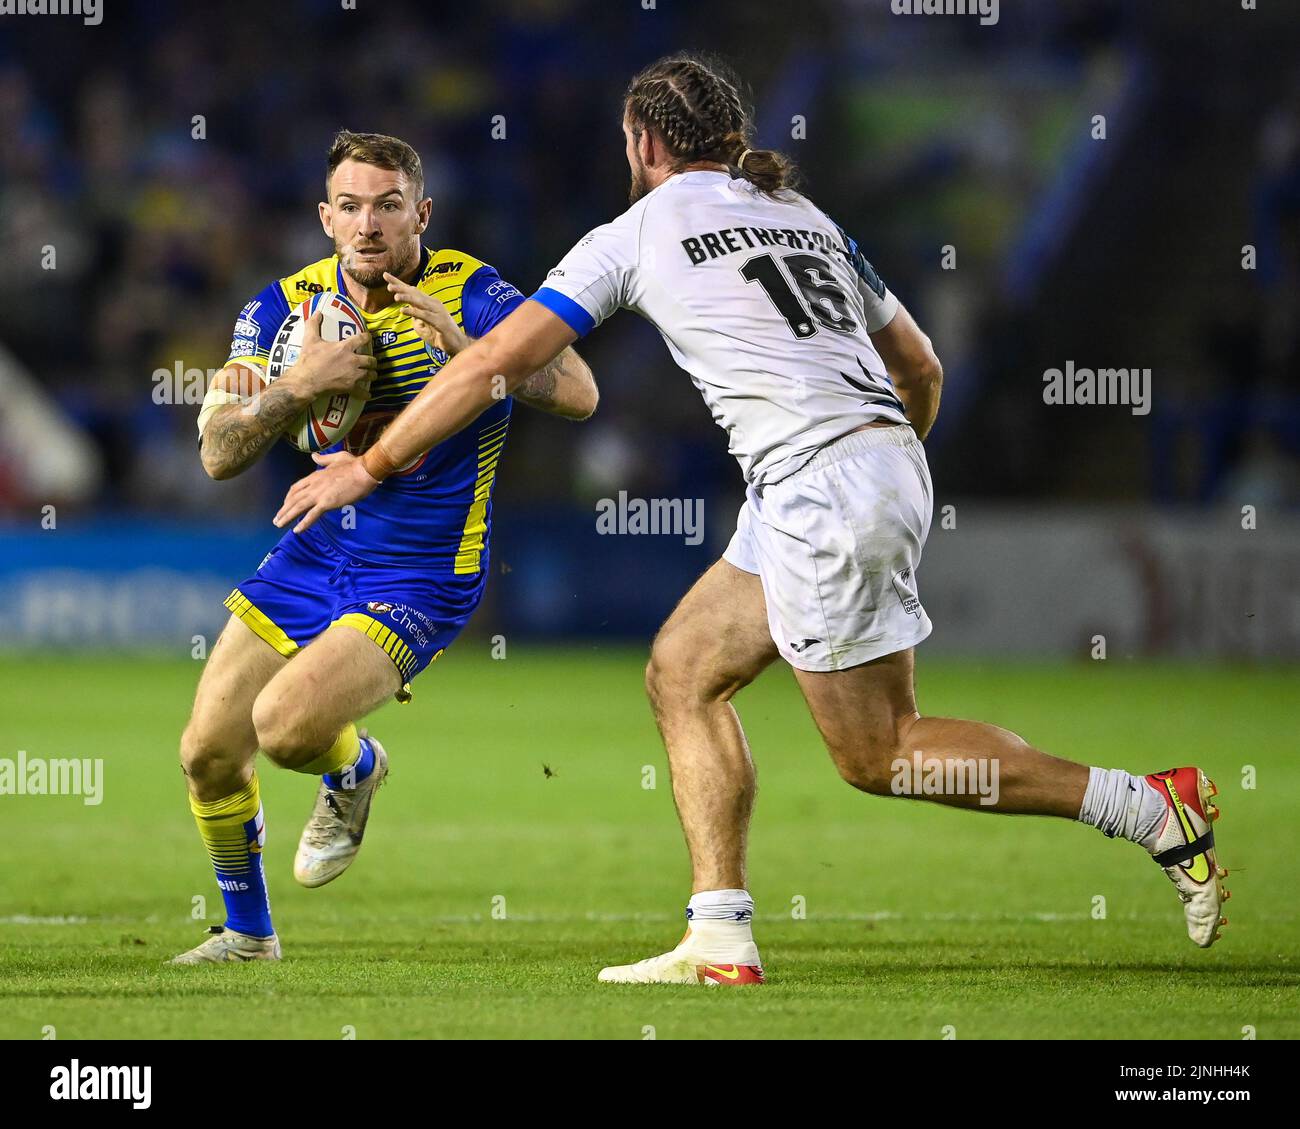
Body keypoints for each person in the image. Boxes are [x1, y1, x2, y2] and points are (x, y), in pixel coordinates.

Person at [273, 61, 1228, 984]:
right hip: (865, 462)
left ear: (642, 141)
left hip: (821, 485)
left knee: (881, 753)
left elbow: (492, 368)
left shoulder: (638, 230)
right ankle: (719, 936)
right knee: (684, 670)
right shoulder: (806, 218)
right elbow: (924, 367)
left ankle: (1147, 807)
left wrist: (371, 462)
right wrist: (885, 474)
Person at [171, 130, 596, 964]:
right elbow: (217, 453)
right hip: (311, 552)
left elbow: (579, 391)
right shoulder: (279, 310)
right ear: (326, 217)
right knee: (207, 753)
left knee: (287, 729)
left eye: (389, 206)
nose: (369, 225)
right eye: (352, 207)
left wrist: (476, 357)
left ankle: (355, 765)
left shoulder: (471, 291)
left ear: (421, 213)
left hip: (422, 571)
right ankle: (249, 935)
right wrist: (298, 385)